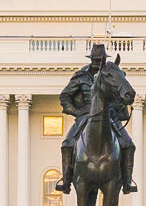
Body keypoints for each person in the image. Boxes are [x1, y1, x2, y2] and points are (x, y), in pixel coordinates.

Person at [56, 41, 138, 194]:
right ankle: (66, 180)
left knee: (129, 144)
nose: (97, 63)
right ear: (91, 59)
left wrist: (122, 103)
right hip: (85, 115)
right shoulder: (81, 76)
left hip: (110, 115)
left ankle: (127, 181)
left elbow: (121, 92)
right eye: (95, 60)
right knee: (67, 143)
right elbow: (65, 96)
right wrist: (76, 111)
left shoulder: (113, 73)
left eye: (100, 60)